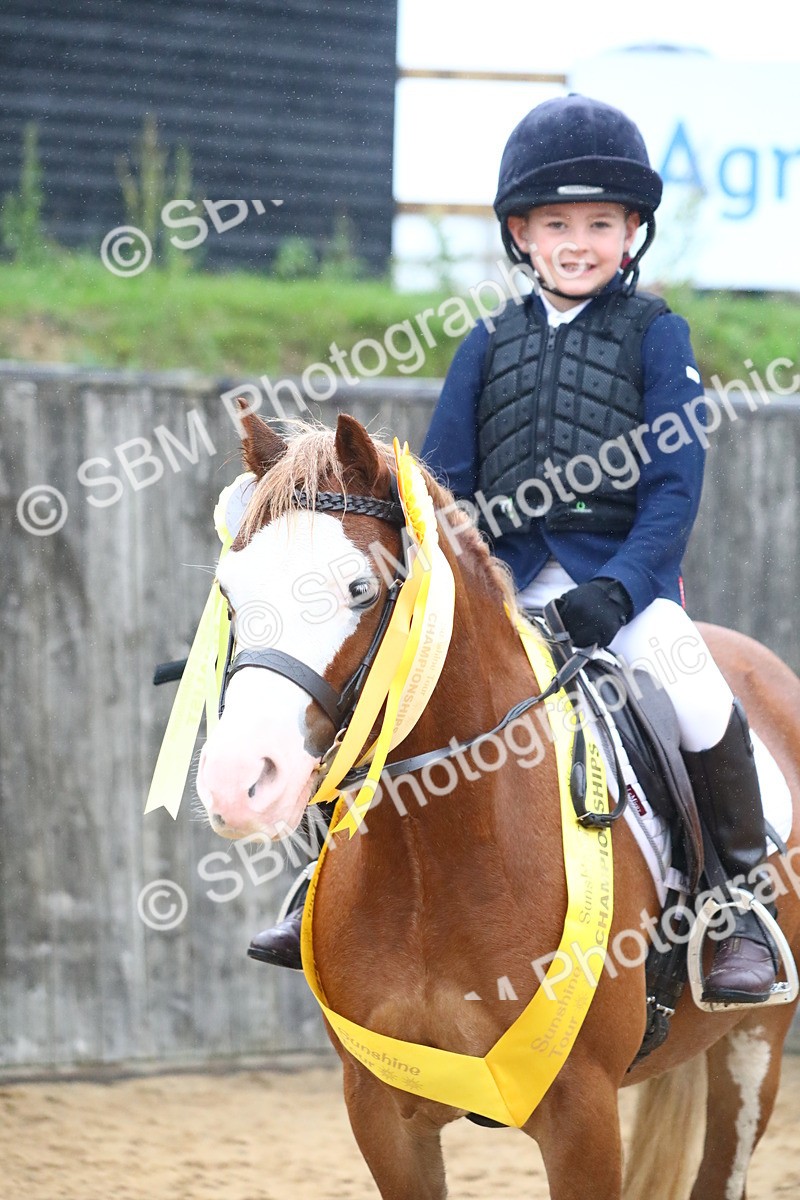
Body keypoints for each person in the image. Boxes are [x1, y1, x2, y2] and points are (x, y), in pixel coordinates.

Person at [249, 94, 777, 1004]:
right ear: (521, 235)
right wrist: (449, 581)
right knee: (375, 682)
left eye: (600, 224)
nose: (579, 241)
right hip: (497, 587)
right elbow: (444, 482)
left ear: (631, 232)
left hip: (625, 589)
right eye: (557, 224)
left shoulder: (659, 336)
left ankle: (736, 910)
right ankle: (320, 882)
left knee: (694, 691)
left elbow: (674, 488)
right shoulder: (484, 342)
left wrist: (619, 589)